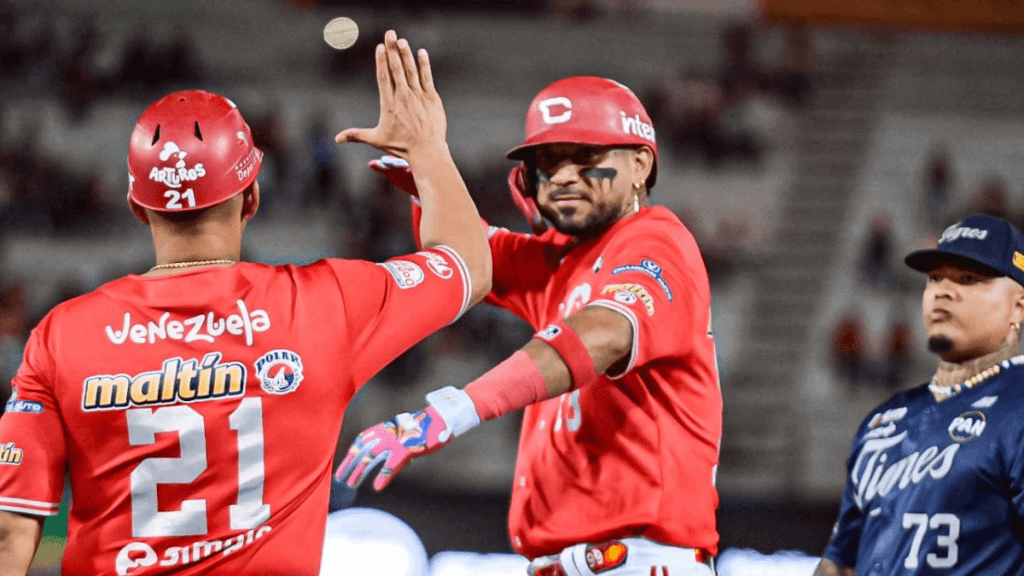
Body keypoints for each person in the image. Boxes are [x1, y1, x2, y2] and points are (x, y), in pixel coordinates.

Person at [0, 30, 491, 576]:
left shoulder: (64, 333)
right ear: (253, 196)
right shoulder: (327, 302)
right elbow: (470, 264)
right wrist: (428, 151)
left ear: (138, 209)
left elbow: (11, 529)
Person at [337, 76, 722, 575]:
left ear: (640, 165)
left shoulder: (657, 242)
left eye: (584, 157)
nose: (562, 176)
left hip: (639, 562)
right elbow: (464, 253)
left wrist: (455, 410)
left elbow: (601, 333)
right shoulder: (563, 262)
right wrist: (429, 159)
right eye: (548, 161)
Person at [815, 213, 1024, 575]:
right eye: (936, 277)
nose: (943, 290)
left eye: (969, 279)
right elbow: (839, 564)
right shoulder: (884, 420)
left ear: (1018, 307)